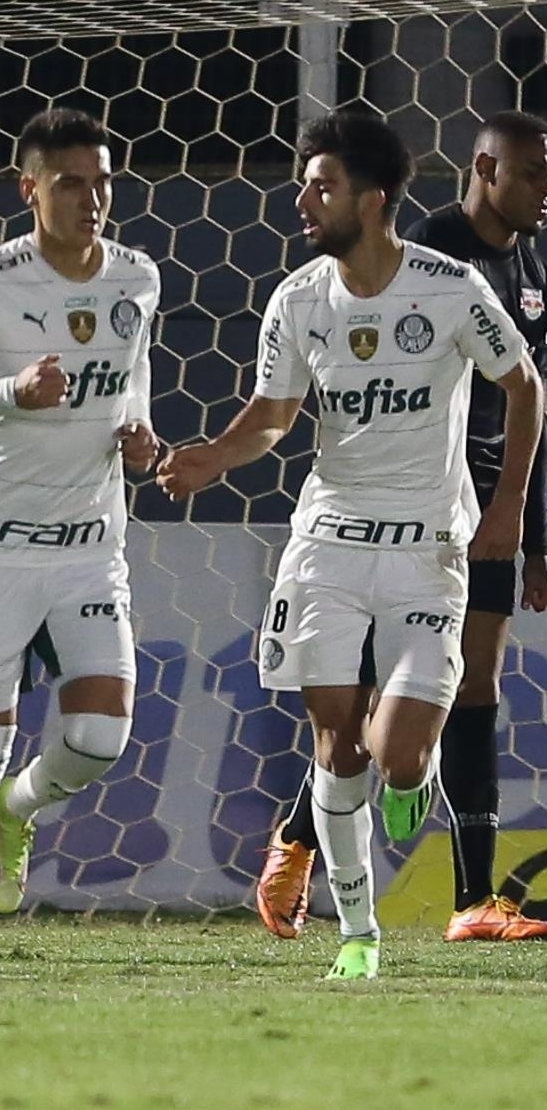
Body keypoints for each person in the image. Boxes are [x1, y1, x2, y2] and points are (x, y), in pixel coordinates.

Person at [157, 108, 543, 980]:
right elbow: (273, 416)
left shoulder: (449, 288)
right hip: (326, 547)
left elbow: (524, 386)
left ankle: (411, 791)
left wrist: (510, 508)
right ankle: (359, 934)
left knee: (399, 755)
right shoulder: (297, 300)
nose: (303, 199)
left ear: (370, 201)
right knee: (336, 744)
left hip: (427, 557)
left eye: (321, 186)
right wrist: (211, 459)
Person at [0, 107, 161, 987]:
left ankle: (19, 811)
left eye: (103, 182)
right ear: (30, 189)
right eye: (71, 183)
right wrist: (11, 389)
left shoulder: (138, 277)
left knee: (99, 738)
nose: (93, 199)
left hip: (91, 538)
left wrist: (140, 435)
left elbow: (133, 378)